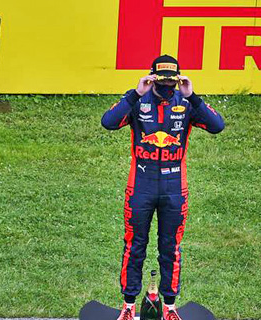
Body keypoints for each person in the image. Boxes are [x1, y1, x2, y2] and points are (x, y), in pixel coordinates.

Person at [101, 55, 224, 320]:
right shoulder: (137, 99)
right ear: (152, 77)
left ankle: (169, 306)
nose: (167, 84)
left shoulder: (187, 102)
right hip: (141, 184)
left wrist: (192, 96)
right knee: (135, 245)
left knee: (171, 247)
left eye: (172, 78)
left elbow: (217, 126)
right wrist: (135, 93)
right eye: (162, 78)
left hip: (174, 187)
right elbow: (108, 122)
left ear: (178, 78)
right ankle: (129, 305)